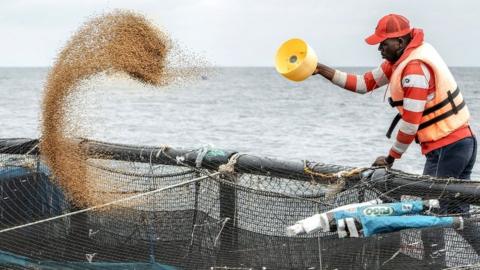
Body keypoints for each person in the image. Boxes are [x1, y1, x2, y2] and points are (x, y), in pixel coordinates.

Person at [312, 14, 477, 266]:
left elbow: (410, 123)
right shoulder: (400, 59)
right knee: (455, 210)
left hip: (448, 148)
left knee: (430, 210)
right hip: (460, 143)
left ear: (399, 41)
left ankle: (435, 265)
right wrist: (321, 69)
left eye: (383, 43)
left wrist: (390, 158)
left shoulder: (414, 69)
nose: (378, 48)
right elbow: (363, 83)